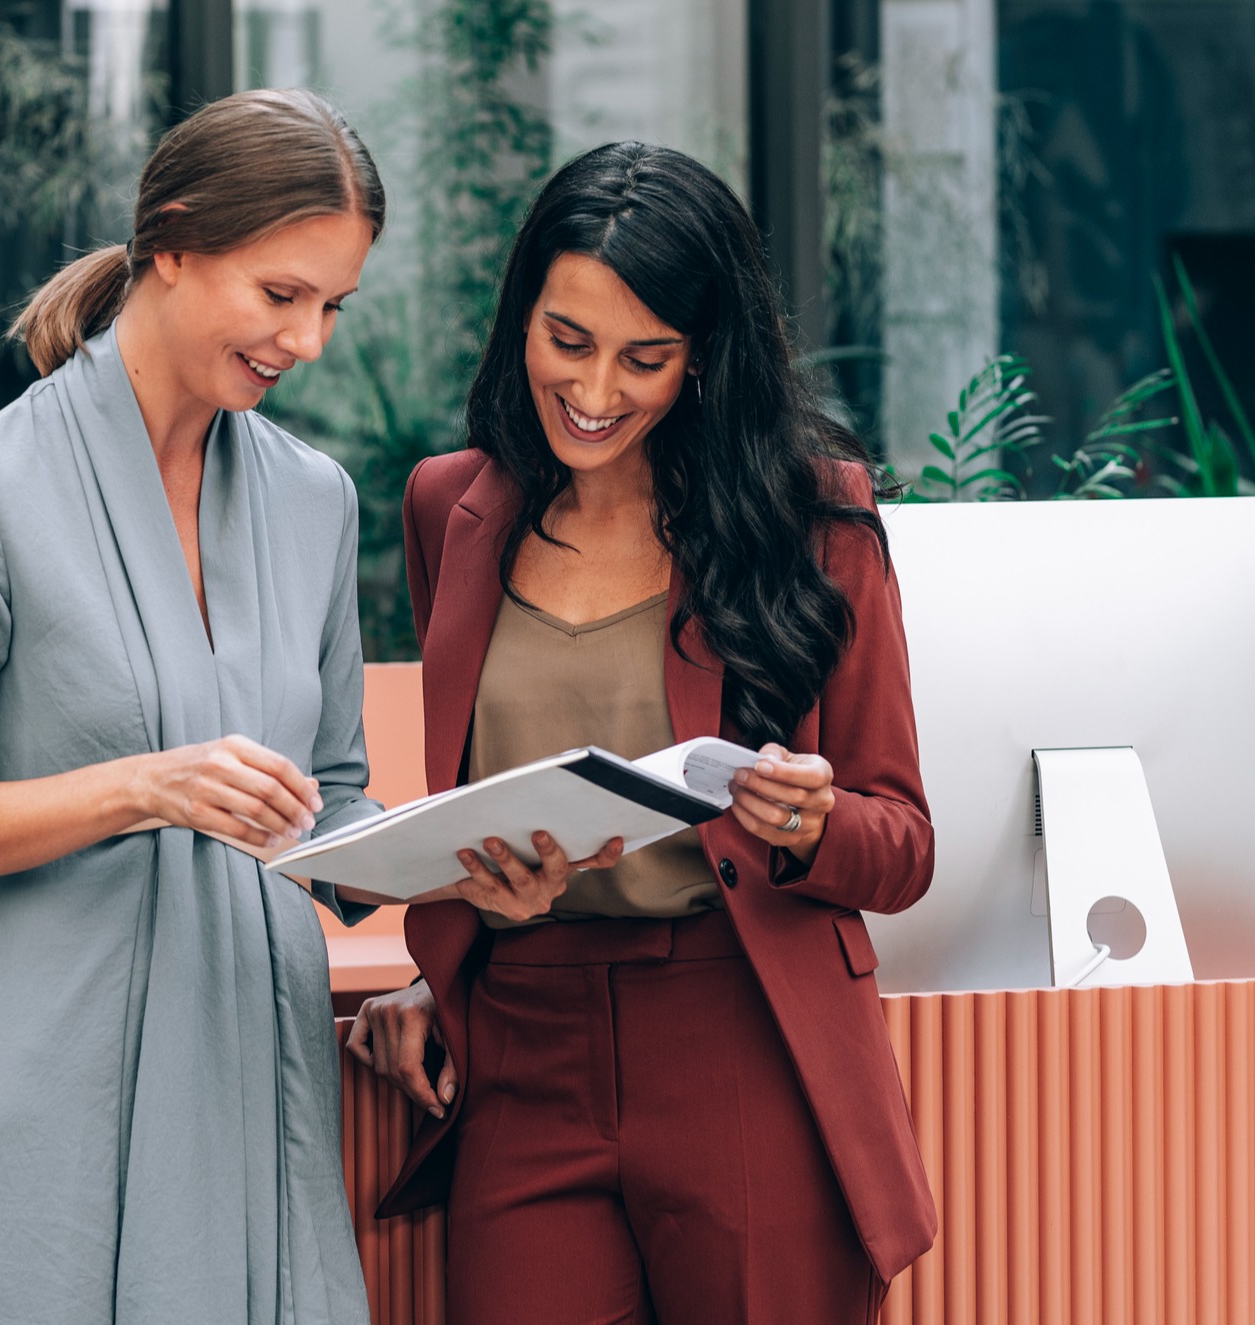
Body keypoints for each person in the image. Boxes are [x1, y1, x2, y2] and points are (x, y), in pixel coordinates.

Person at [346, 142, 938, 1323]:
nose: (595, 389)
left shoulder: (811, 519)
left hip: (738, 1032)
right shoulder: (447, 507)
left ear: (702, 354)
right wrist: (445, 948)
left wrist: (811, 824)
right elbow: (471, 796)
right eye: (566, 340)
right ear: (521, 318)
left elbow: (904, 846)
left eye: (643, 357)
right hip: (525, 1041)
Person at [0, 88, 391, 1325]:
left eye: (332, 306)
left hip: (252, 1071)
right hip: (48, 1088)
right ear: (174, 243)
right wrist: (141, 787)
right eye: (281, 294)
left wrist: (453, 863)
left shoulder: (315, 500)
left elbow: (332, 801)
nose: (307, 340)